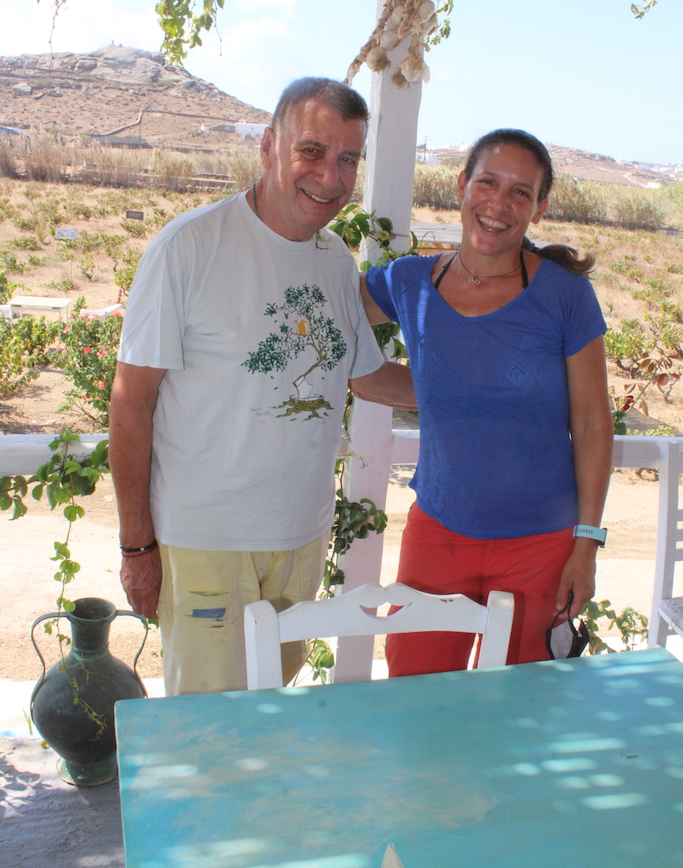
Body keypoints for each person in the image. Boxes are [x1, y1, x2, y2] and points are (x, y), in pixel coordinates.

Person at [108, 76, 415, 695]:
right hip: (207, 541)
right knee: (211, 732)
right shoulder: (188, 247)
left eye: (348, 159)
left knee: (270, 715)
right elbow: (130, 403)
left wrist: (481, 389)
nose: (330, 176)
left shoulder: (335, 262)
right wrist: (138, 548)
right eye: (312, 151)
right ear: (270, 146)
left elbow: (369, 377)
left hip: (299, 537)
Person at [360, 128, 613, 674]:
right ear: (461, 185)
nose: (499, 204)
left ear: (539, 208)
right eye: (488, 182)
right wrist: (365, 377)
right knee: (418, 696)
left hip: (542, 546)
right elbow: (328, 316)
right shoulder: (409, 281)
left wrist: (586, 545)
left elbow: (593, 425)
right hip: (438, 534)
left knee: (518, 711)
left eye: (521, 192)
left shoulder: (565, 295)